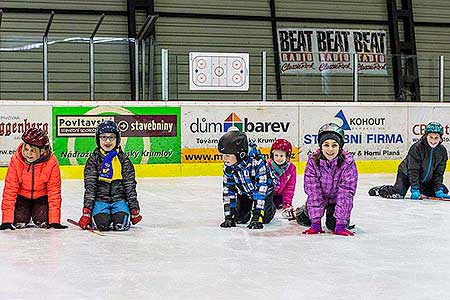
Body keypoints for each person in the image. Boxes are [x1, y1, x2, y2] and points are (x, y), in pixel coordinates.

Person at [78, 120, 142, 231]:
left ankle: (119, 214)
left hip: (119, 200)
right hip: (100, 200)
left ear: (117, 139)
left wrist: (134, 208)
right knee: (102, 226)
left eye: (111, 137)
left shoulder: (123, 159)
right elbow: (90, 187)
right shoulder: (94, 160)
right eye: (103, 137)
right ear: (98, 139)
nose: (107, 141)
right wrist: (87, 212)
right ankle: (101, 216)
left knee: (121, 225)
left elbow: (130, 185)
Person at [295, 123, 357, 236]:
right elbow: (313, 192)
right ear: (320, 146)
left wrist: (341, 224)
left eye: (334, 145)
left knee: (333, 225)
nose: (330, 149)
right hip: (320, 197)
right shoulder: (313, 161)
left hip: (337, 200)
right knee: (305, 220)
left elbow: (346, 193)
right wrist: (315, 223)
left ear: (340, 146)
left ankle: (335, 217)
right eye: (326, 145)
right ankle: (303, 210)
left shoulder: (348, 163)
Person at [0, 127, 66, 230]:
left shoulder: (52, 162)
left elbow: (54, 192)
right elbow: (10, 190)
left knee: (43, 219)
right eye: (26, 149)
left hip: (41, 197)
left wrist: (54, 221)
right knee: (19, 219)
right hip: (22, 197)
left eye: (33, 151)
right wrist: (6, 220)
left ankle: (37, 213)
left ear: (43, 151)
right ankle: (25, 213)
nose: (28, 154)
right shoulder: (16, 160)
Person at [368, 122, 449, 200]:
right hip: (406, 174)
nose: (433, 141)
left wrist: (438, 190)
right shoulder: (417, 148)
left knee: (443, 190)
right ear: (426, 136)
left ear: (440, 138)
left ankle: (423, 189)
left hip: (424, 179)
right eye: (431, 137)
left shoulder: (442, 151)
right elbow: (413, 170)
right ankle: (381, 190)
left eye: (436, 138)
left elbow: (439, 173)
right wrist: (415, 189)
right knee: (398, 194)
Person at [218, 129, 275, 230]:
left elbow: (261, 189)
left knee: (265, 219)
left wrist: (258, 215)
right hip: (244, 192)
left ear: (241, 154)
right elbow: (228, 190)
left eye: (227, 155)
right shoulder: (228, 166)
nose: (224, 159)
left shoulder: (258, 162)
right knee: (239, 219)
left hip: (264, 192)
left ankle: (270, 207)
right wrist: (229, 215)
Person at [267, 139, 297, 217]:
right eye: (276, 155)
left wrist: (287, 203)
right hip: (268, 195)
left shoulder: (291, 168)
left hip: (281, 196)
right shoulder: (267, 166)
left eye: (281, 156)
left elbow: (290, 188)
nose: (279, 158)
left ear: (287, 156)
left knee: (279, 206)